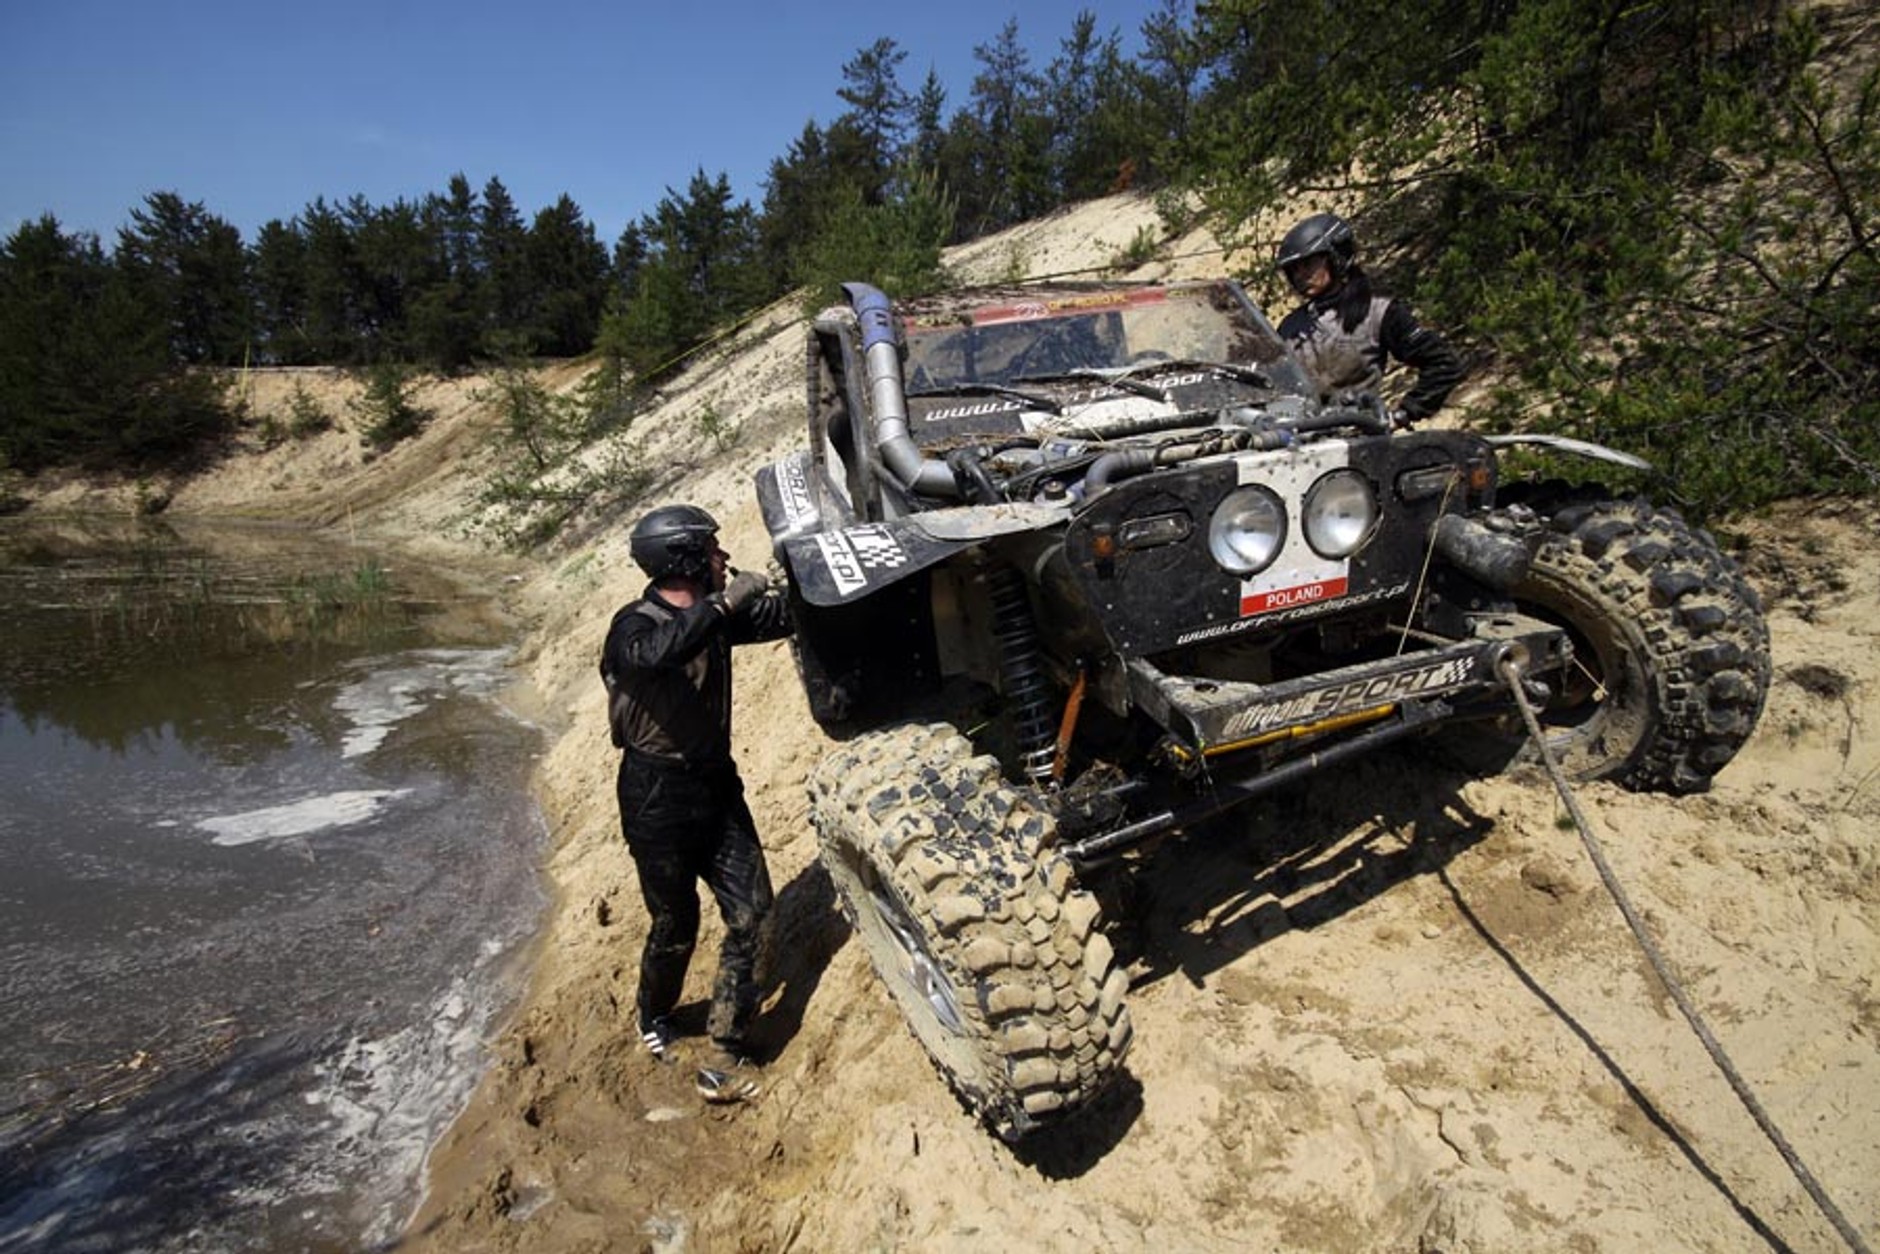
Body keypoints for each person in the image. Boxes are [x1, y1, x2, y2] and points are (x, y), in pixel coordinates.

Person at [599, 504, 792, 1102]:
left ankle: (726, 1044)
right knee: (675, 922)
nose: (724, 559)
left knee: (754, 914)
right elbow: (656, 655)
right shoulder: (632, 625)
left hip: (715, 785)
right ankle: (653, 1013)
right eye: (712, 550)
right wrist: (725, 602)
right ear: (682, 559)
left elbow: (778, 617)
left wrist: (805, 580)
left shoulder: (713, 620)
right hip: (654, 796)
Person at [1273, 212, 1464, 427]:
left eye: (1308, 264)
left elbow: (1443, 363)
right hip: (1299, 439)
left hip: (1361, 436)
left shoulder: (1377, 310)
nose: (1301, 275)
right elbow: (1268, 385)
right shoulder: (1290, 327)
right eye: (1294, 269)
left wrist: (1405, 412)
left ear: (1336, 255)